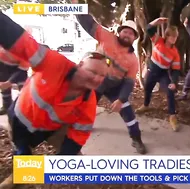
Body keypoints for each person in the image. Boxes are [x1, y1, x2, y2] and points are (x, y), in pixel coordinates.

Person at [0, 12, 109, 187]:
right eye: (93, 72)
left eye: (102, 76)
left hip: (51, 129)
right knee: (22, 162)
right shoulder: (53, 63)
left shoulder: (87, 104)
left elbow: (78, 136)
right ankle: (20, 175)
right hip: (19, 121)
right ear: (80, 65)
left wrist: (59, 164)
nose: (97, 79)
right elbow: (22, 42)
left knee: (77, 167)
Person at [73, 0, 146, 154]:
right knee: (85, 107)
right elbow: (87, 22)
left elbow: (129, 82)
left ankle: (136, 139)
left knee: (128, 114)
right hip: (96, 82)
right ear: (119, 32)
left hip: (115, 86)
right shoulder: (106, 36)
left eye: (131, 33)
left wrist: (121, 99)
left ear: (134, 38)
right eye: (125, 31)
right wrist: (76, 4)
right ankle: (75, 137)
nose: (127, 35)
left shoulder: (132, 60)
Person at [135, 17, 181, 131]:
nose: (174, 38)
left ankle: (172, 116)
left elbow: (175, 70)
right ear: (167, 36)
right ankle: (145, 105)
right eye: (172, 36)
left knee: (170, 90)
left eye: (176, 36)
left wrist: (174, 82)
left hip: (163, 73)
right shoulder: (158, 40)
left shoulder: (175, 52)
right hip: (152, 69)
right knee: (147, 88)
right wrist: (156, 22)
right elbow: (148, 29)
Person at [0, 46, 29, 115]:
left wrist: (9, 82)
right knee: (3, 82)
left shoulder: (25, 49)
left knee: (23, 86)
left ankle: (25, 106)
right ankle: (6, 105)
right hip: (4, 65)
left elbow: (23, 69)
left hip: (20, 68)